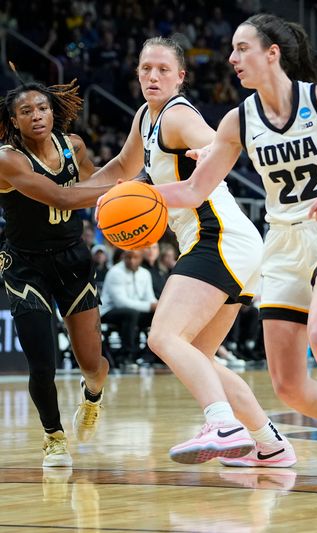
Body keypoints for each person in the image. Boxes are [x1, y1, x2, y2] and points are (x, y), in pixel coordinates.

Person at [153, 15, 317, 506]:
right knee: (287, 386)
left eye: (242, 48)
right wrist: (136, 194)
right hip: (281, 246)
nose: (232, 59)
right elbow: (196, 188)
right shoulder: (237, 120)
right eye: (232, 50)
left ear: (272, 53)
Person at [85, 37, 295, 468]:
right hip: (233, 242)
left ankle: (221, 423)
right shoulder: (146, 116)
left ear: (180, 76)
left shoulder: (178, 116)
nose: (153, 76)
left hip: (216, 235)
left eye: (163, 69)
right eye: (146, 69)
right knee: (198, 357)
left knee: (162, 336)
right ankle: (270, 444)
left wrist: (208, 150)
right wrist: (73, 194)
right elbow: (125, 167)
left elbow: (216, 140)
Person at [0, 80, 113, 466]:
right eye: (26, 111)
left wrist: (123, 202)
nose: (36, 116)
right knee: (42, 360)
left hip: (72, 258)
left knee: (91, 364)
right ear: (13, 121)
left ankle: (93, 394)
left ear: (53, 111)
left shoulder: (74, 145)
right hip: (25, 264)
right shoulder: (8, 159)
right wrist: (134, 185)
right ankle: (53, 436)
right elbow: (64, 196)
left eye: (42, 108)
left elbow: (93, 181)